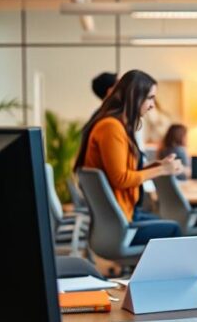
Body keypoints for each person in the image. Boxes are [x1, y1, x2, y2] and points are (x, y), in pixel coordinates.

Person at [75, 69, 183, 245]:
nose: (152, 105)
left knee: (169, 224)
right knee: (174, 229)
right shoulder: (111, 128)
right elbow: (121, 179)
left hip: (124, 215)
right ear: (135, 97)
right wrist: (162, 169)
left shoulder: (117, 126)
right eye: (150, 98)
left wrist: (156, 166)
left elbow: (123, 172)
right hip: (121, 224)